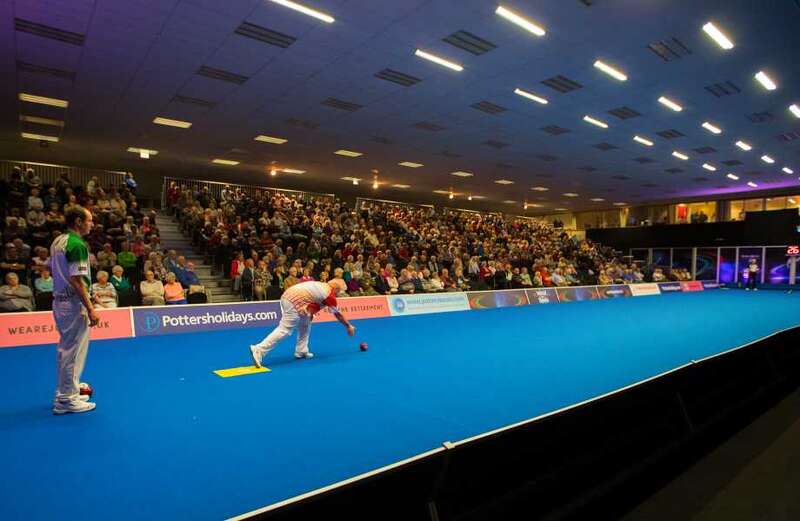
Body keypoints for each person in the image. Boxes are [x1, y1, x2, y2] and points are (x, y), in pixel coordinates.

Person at [50, 206, 99, 415]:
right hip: (73, 305)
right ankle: (66, 399)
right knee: (72, 351)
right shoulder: (77, 244)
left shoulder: (58, 241)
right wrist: (90, 308)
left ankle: (69, 389)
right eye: (89, 220)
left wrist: (89, 294)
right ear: (78, 221)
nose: (92, 224)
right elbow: (76, 280)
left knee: (68, 349)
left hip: (61, 301)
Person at [249, 280, 356, 367]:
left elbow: (315, 304)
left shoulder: (321, 286)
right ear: (336, 288)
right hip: (294, 300)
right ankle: (259, 349)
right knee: (285, 330)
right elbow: (337, 314)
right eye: (340, 291)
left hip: (287, 296)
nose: (339, 294)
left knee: (306, 322)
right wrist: (348, 326)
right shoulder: (329, 295)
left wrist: (308, 312)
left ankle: (301, 350)